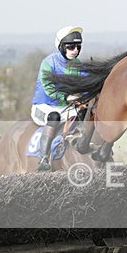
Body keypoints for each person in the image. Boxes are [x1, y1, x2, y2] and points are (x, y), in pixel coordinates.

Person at [30, 25, 86, 171]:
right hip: (44, 106)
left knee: (86, 113)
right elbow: (49, 89)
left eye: (78, 47)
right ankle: (44, 158)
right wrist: (66, 97)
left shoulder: (78, 64)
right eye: (70, 47)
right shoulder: (48, 63)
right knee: (54, 117)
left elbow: (85, 84)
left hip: (66, 107)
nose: (75, 51)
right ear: (61, 46)